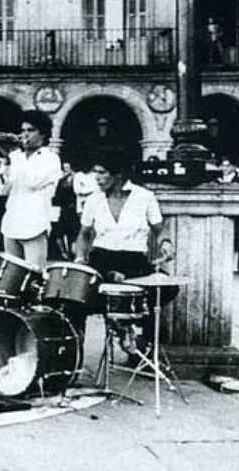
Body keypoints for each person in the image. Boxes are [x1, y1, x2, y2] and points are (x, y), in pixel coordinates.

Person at [74, 146, 170, 355]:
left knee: (166, 287)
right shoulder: (93, 199)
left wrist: (166, 244)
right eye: (94, 173)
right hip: (101, 258)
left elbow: (160, 230)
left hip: (134, 260)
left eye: (102, 173)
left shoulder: (144, 196)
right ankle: (75, 358)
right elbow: (84, 234)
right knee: (75, 296)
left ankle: (143, 343)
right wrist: (80, 258)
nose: (96, 178)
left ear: (118, 174)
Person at [0, 111, 62, 270]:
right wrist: (6, 161)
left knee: (34, 275)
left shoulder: (50, 158)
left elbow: (33, 181)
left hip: (35, 224)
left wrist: (14, 156)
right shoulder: (15, 156)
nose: (24, 134)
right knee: (12, 278)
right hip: (11, 223)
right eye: (23, 130)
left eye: (30, 130)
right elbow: (2, 190)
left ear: (43, 134)